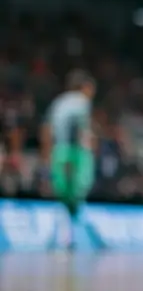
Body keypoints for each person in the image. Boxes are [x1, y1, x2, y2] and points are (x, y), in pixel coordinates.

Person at [41, 70, 100, 247]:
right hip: (75, 154)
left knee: (64, 197)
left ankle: (63, 237)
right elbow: (83, 132)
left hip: (58, 152)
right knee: (76, 196)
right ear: (85, 87)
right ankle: (74, 237)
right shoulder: (82, 103)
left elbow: (46, 129)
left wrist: (47, 154)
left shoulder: (58, 102)